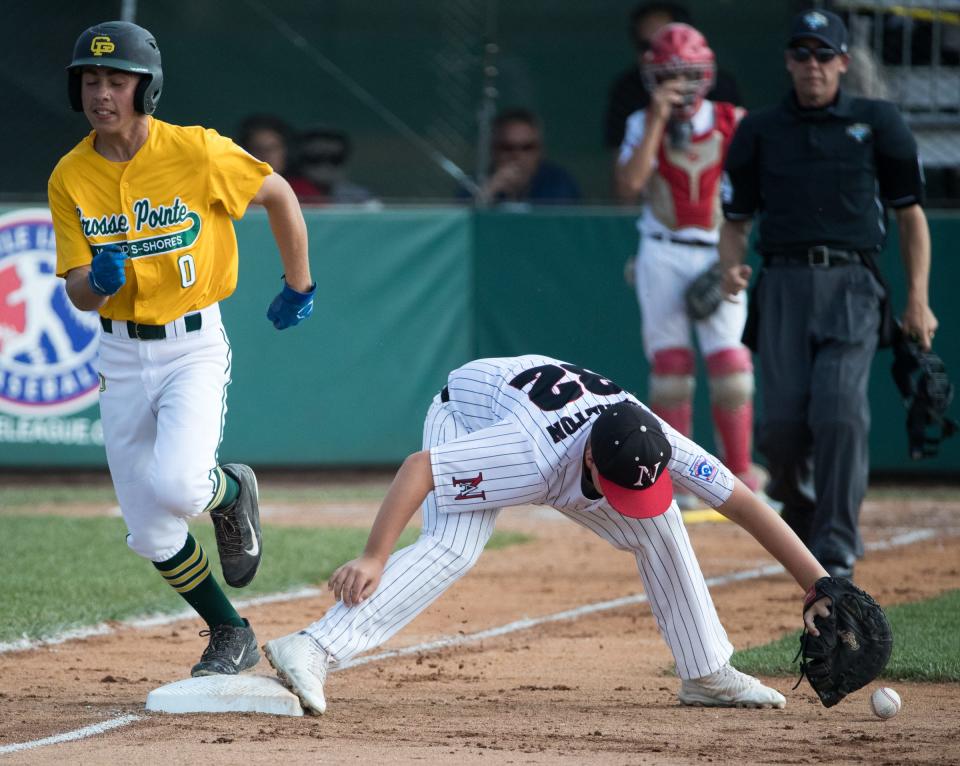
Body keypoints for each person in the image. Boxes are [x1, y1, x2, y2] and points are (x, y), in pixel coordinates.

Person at [262, 354, 834, 715]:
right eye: (614, 487)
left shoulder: (653, 435)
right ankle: (312, 647)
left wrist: (819, 584)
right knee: (454, 549)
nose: (625, 501)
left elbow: (743, 502)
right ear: (590, 463)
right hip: (472, 415)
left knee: (660, 522)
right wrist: (372, 555)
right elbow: (419, 468)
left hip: (544, 417)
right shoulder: (526, 457)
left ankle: (706, 672)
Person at [48, 21, 316, 677]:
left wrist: (299, 284)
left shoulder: (194, 151)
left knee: (180, 486)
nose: (101, 93)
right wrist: (95, 282)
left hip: (190, 344)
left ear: (146, 87)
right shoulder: (70, 176)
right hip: (118, 354)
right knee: (151, 531)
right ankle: (231, 631)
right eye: (90, 80)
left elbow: (277, 193)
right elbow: (80, 293)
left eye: (116, 80)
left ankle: (231, 494)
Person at [719, 9, 938, 580]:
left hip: (853, 284)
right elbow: (736, 218)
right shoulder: (759, 129)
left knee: (840, 412)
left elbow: (910, 216)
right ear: (788, 60)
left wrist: (918, 298)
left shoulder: (877, 121)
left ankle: (836, 544)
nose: (812, 65)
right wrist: (729, 266)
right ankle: (803, 504)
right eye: (801, 53)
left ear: (843, 61)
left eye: (823, 54)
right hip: (784, 283)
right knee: (781, 430)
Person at [615, 23, 761, 509]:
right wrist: (657, 118)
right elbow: (629, 185)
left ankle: (739, 473)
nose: (681, 85)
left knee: (731, 365)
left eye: (689, 73)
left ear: (708, 74)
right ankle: (682, 480)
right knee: (671, 367)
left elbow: (756, 191)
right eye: (670, 75)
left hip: (718, 247)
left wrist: (735, 260)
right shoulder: (642, 122)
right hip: (661, 247)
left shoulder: (733, 119)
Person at [604, 2, 741, 156]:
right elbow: (627, 179)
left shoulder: (724, 96)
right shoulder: (628, 94)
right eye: (645, 46)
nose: (654, 52)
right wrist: (656, 119)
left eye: (666, 40)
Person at [465, 108, 580, 205]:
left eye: (527, 147)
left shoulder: (559, 183)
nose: (517, 155)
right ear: (493, 150)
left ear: (541, 151)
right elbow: (460, 224)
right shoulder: (476, 183)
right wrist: (487, 193)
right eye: (507, 147)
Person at [286, 127, 376, 205]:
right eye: (316, 158)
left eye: (334, 159)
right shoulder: (287, 193)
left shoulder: (360, 198)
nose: (325, 165)